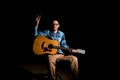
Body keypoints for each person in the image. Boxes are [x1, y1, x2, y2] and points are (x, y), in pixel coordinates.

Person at [34, 15, 79, 80]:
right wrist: (36, 25)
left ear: (58, 25)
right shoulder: (47, 32)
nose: (54, 25)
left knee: (74, 58)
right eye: (53, 24)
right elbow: (36, 35)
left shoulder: (62, 34)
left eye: (56, 24)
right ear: (51, 25)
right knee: (50, 60)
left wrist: (70, 50)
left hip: (61, 54)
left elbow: (64, 44)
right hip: (51, 54)